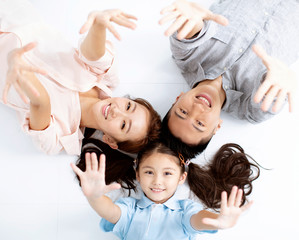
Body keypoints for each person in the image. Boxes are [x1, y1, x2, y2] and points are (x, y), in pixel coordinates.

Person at [0, 0, 161, 155]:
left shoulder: (60, 138)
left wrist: (19, 68)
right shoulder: (104, 77)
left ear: (110, 140)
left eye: (123, 124)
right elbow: (92, 54)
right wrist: (98, 24)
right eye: (128, 106)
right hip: (14, 14)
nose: (116, 111)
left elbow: (40, 102)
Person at [158, 0, 299, 159]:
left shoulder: (186, 58)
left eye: (183, 112)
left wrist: (190, 21)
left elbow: (190, 32)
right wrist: (281, 83)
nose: (197, 109)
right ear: (217, 126)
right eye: (199, 124)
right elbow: (269, 99)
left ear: (177, 99)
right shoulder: (250, 110)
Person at [71, 141, 259, 239]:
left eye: (167, 173)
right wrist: (95, 198)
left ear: (181, 178)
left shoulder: (184, 211)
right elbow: (111, 212)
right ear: (138, 175)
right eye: (149, 172)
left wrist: (219, 220)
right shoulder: (131, 210)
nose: (157, 181)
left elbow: (199, 220)